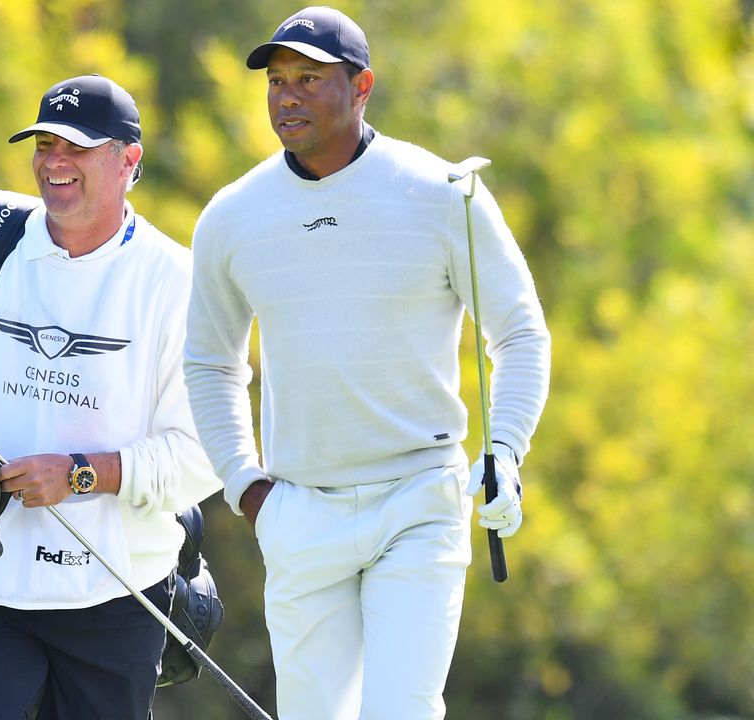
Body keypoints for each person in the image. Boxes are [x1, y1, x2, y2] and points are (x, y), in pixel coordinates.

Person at [183, 6, 551, 720]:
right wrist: (247, 490)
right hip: (297, 508)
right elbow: (210, 364)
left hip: (419, 499)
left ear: (362, 87)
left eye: (310, 79)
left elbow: (520, 334)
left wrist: (504, 452)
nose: (287, 96)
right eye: (278, 81)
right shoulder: (232, 215)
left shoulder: (444, 194)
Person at [0, 74, 220, 720]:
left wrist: (82, 475)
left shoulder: (177, 282)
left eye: (77, 148)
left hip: (114, 600)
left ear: (128, 161)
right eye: (44, 144)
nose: (54, 162)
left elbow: (202, 456)